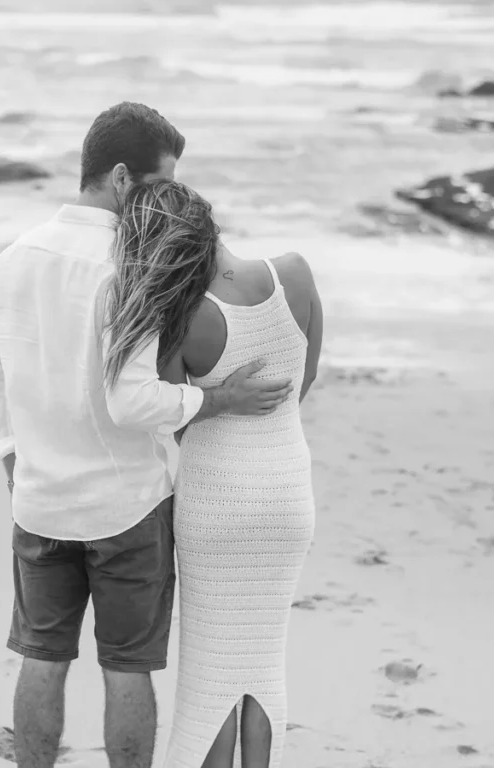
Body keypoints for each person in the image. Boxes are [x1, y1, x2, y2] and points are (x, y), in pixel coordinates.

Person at [0, 102, 296, 768]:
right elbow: (134, 403)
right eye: (158, 183)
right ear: (122, 177)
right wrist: (221, 398)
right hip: (126, 506)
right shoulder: (132, 266)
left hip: (38, 500)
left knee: (41, 657)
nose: (162, 200)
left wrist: (12, 460)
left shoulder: (13, 257)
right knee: (127, 666)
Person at [103, 179, 323, 768]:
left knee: (211, 674)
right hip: (286, 493)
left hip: (217, 502)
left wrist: (219, 406)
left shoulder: (180, 317)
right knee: (265, 663)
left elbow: (177, 417)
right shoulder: (295, 273)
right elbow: (304, 380)